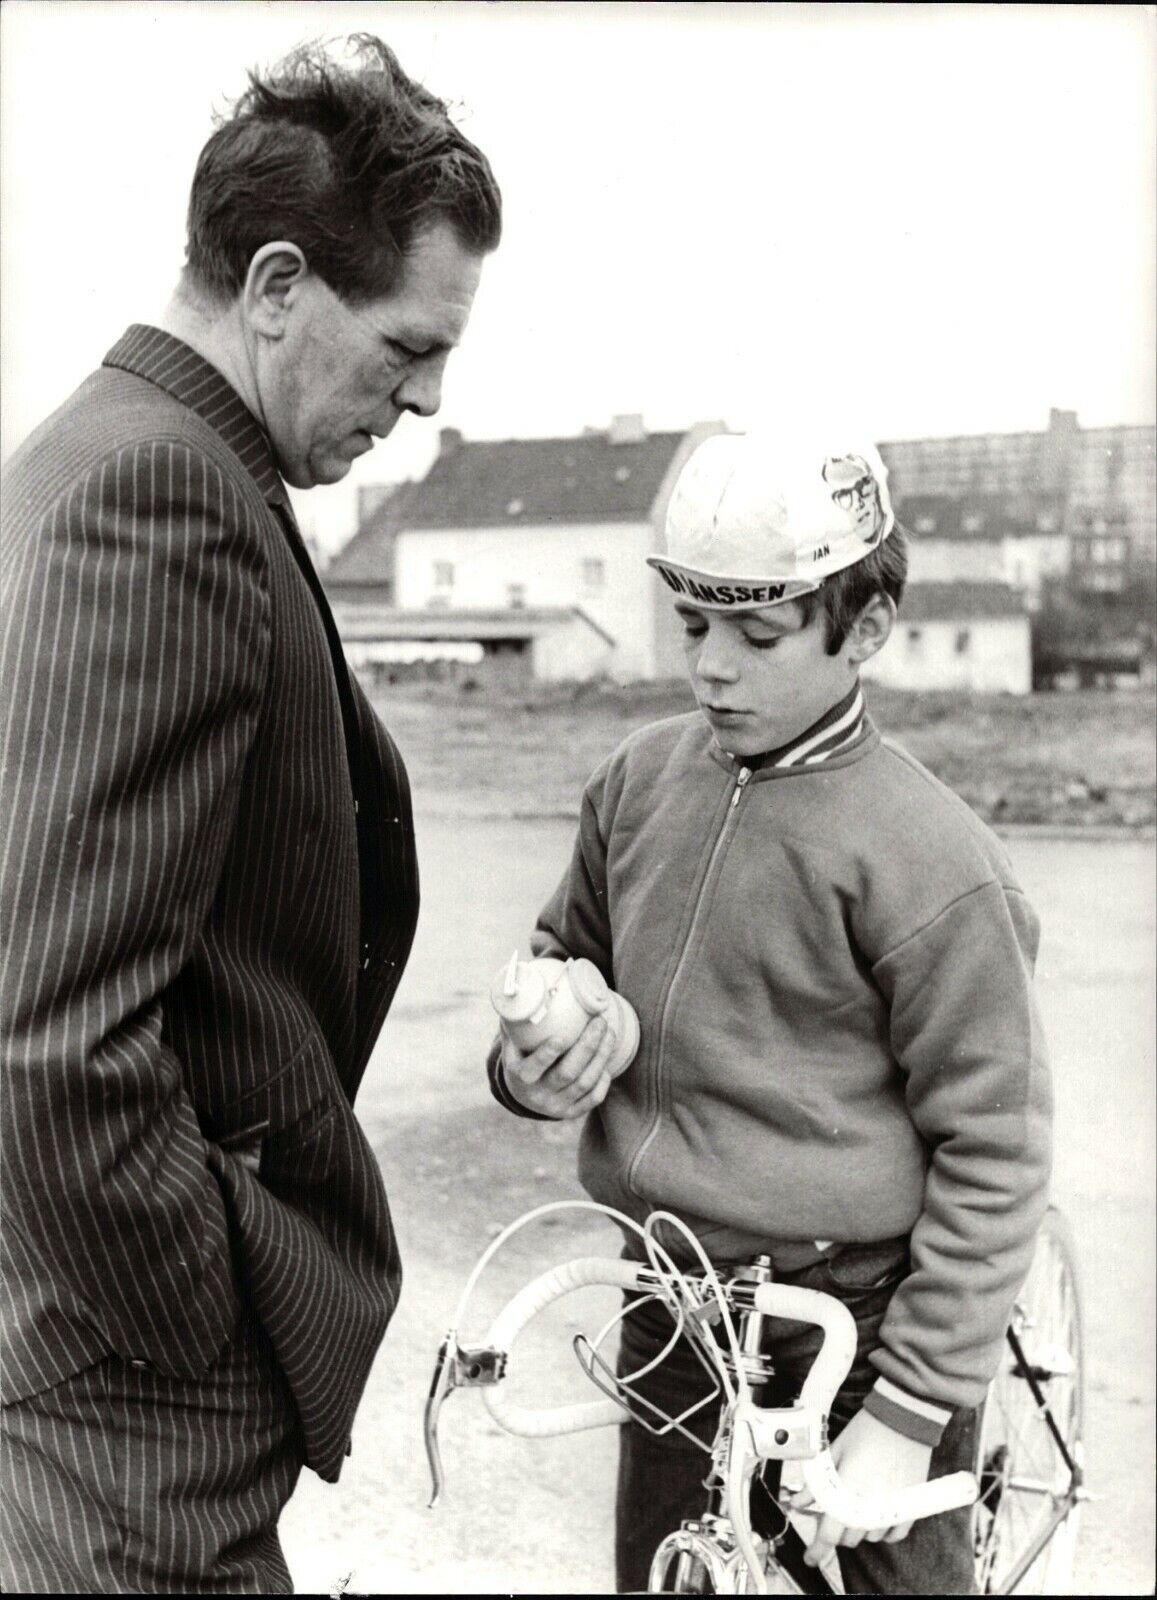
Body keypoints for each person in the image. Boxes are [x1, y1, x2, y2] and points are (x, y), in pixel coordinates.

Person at [0, 35, 500, 1594]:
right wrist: (199, 1320)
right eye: (409, 345)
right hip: (126, 1411)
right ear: (276, 286)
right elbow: (49, 1029)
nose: (424, 401)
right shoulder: (164, 494)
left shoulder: (93, 457)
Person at [486, 431, 1052, 1595]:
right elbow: (560, 964)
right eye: (691, 624)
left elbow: (994, 1152)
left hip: (860, 1321)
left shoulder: (932, 862)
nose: (711, 669)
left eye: (756, 633)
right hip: (673, 1297)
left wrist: (906, 1408)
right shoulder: (636, 783)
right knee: (663, 1580)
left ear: (865, 628)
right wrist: (529, 1058)